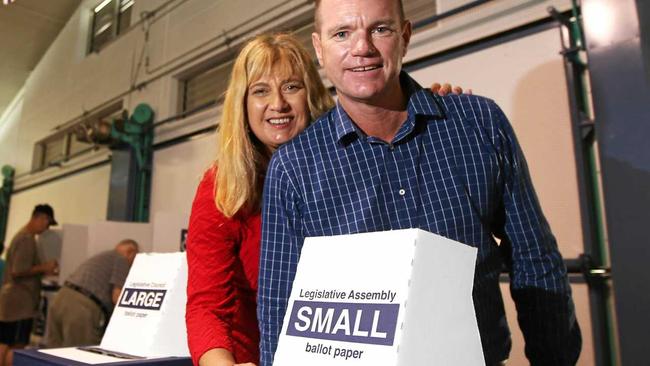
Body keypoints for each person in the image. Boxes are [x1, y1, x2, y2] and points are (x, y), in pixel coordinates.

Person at [257, 0, 582, 365]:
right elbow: (279, 305)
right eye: (342, 33)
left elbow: (533, 256)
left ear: (405, 36)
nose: (361, 48)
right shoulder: (294, 167)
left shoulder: (480, 125)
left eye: (380, 29)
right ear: (319, 47)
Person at [185, 32, 464, 366]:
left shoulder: (355, 155)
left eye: (291, 87)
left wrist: (428, 121)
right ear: (242, 104)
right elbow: (207, 304)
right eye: (260, 91)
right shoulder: (221, 187)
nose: (278, 104)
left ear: (311, 94)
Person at [45, 239, 139, 348]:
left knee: (54, 352)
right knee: (79, 354)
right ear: (131, 252)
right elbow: (117, 297)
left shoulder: (103, 257)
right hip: (80, 307)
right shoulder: (121, 259)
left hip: (61, 297)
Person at [0, 204, 58, 366]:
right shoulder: (26, 239)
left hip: (11, 302)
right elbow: (18, 271)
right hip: (20, 303)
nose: (46, 228)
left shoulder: (22, 236)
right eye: (47, 223)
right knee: (16, 345)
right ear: (40, 218)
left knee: (5, 341)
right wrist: (44, 267)